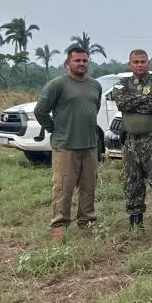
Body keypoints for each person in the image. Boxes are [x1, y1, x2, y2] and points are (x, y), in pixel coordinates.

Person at [33, 45, 102, 234]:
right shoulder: (57, 85)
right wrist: (54, 129)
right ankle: (59, 226)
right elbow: (40, 111)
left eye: (84, 60)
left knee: (89, 187)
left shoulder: (95, 85)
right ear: (67, 62)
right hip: (65, 146)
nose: (81, 63)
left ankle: (86, 222)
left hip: (89, 145)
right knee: (63, 188)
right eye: (77, 60)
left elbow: (93, 109)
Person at [111, 49, 152, 229]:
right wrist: (145, 99)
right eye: (135, 62)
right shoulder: (122, 84)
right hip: (131, 141)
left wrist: (135, 102)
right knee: (132, 181)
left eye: (142, 61)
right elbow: (122, 103)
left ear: (148, 63)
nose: (139, 65)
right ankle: (135, 220)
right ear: (130, 64)